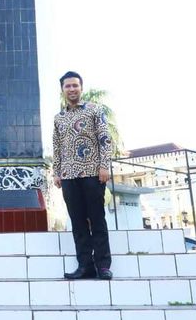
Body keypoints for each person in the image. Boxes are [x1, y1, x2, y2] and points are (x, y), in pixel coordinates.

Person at [53, 70, 113, 280]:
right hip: (69, 176)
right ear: (62, 89)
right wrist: (57, 172)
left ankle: (103, 266)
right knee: (77, 222)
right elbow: (57, 146)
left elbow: (105, 139)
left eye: (75, 85)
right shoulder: (59, 118)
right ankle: (85, 265)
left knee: (97, 219)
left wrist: (104, 166)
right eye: (68, 86)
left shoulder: (94, 110)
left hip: (92, 173)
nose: (72, 89)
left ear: (81, 87)